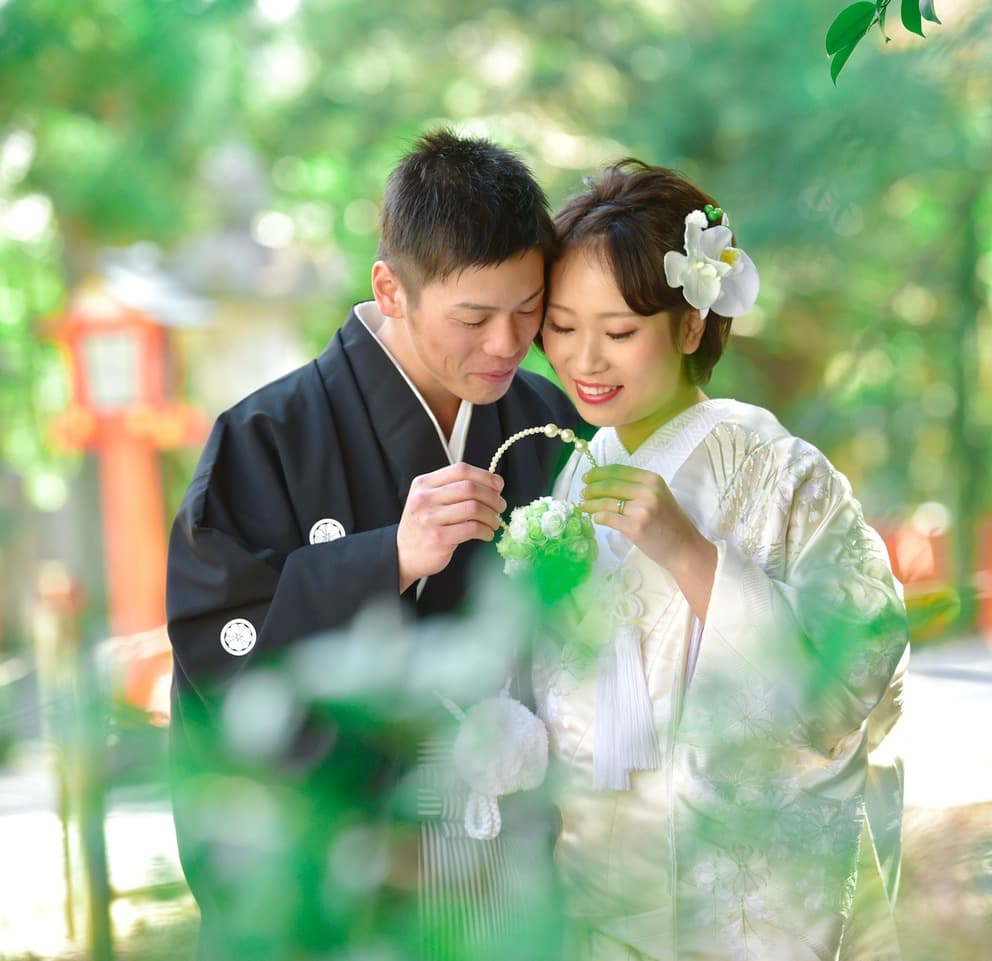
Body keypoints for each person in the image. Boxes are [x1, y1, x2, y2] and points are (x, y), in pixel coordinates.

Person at [165, 130, 579, 960]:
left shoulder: (548, 426)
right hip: (343, 873)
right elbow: (223, 640)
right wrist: (385, 555)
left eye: (527, 310)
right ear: (391, 288)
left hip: (506, 873)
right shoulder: (265, 436)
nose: (506, 344)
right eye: (474, 316)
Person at [532, 159, 910, 960]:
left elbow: (849, 681)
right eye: (562, 327)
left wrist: (692, 556)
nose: (585, 360)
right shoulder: (568, 474)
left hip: (740, 907)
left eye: (620, 331)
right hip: (595, 896)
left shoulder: (782, 472)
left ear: (692, 325)